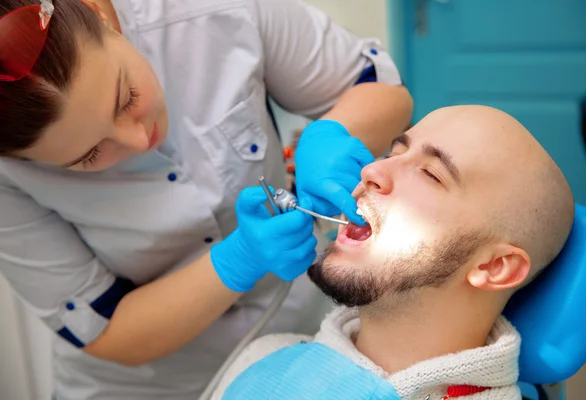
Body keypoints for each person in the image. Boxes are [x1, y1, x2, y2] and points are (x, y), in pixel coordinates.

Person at [0, 0, 413, 399]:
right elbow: (106, 329)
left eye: (126, 99)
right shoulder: (7, 178)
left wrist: (334, 132)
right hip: (149, 387)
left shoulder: (208, 11)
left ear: (97, 14)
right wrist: (237, 260)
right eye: (88, 156)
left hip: (298, 351)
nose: (139, 139)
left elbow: (379, 87)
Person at [211, 105, 575, 399]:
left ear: (495, 266)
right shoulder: (262, 358)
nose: (371, 170)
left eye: (431, 174)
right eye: (393, 152)